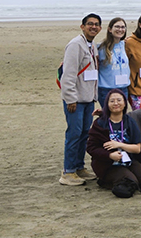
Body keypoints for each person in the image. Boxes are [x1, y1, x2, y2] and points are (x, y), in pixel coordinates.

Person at [59, 13, 102, 186]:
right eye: (90, 24)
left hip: (88, 99)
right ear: (82, 26)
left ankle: (79, 167)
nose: (93, 27)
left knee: (85, 134)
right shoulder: (75, 45)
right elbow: (68, 75)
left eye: (96, 24)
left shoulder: (91, 45)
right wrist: (70, 99)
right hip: (75, 101)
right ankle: (68, 171)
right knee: (74, 134)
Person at [86, 89, 141, 191]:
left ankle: (126, 176)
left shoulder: (130, 122)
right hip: (109, 164)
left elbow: (137, 148)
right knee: (131, 182)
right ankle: (105, 181)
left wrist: (119, 145)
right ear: (107, 104)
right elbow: (91, 148)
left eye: (119, 100)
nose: (116, 103)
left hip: (128, 160)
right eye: (112, 101)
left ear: (124, 103)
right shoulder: (100, 123)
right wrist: (109, 155)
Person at [97, 17, 129, 107]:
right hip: (107, 89)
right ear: (110, 29)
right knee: (108, 117)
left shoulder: (126, 45)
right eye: (117, 27)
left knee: (121, 116)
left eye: (123, 27)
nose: (120, 29)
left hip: (123, 88)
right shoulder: (101, 48)